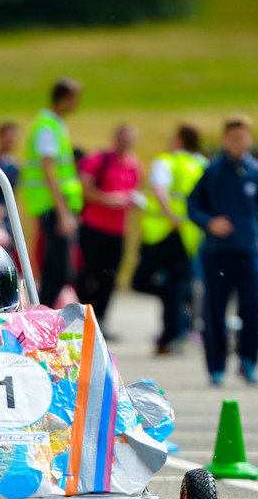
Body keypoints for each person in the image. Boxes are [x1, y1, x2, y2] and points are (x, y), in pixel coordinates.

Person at [187, 115, 258, 386]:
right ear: (225, 140)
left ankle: (248, 362)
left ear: (249, 139)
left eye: (243, 137)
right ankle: (216, 367)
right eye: (233, 138)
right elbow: (193, 206)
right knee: (215, 311)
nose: (239, 142)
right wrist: (209, 223)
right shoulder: (213, 171)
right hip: (217, 253)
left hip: (250, 252)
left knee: (255, 305)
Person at [134, 124, 208, 355]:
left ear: (181, 140)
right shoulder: (200, 164)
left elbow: (160, 189)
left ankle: (172, 334)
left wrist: (170, 216)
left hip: (163, 233)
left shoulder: (166, 161)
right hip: (189, 236)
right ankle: (175, 334)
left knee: (142, 280)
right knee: (177, 287)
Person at [21, 78, 84, 308]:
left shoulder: (53, 123)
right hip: (51, 205)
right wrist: (63, 213)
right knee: (57, 269)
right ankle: (41, 314)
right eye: (75, 97)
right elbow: (49, 170)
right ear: (65, 98)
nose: (77, 103)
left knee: (56, 269)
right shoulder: (48, 125)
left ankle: (43, 312)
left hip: (54, 205)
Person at [76, 124, 145, 330]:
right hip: (93, 226)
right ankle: (83, 319)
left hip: (118, 231)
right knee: (88, 275)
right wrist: (107, 199)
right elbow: (85, 187)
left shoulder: (134, 164)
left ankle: (100, 321)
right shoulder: (99, 159)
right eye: (123, 138)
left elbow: (135, 189)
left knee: (109, 277)